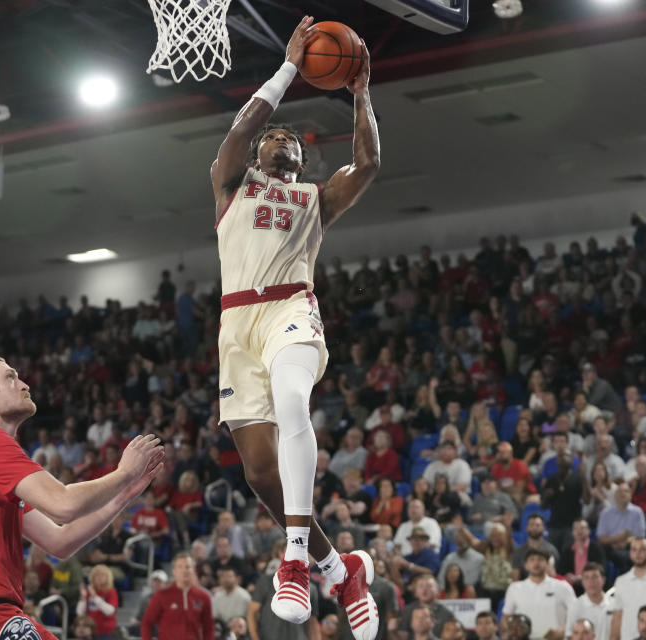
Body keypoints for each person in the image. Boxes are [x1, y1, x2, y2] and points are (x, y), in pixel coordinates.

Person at [210, 14, 380, 635]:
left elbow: (368, 164)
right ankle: (340, 570)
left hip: (291, 309)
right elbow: (244, 123)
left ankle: (295, 562)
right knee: (259, 471)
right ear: (259, 152)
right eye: (272, 137)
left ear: (304, 156)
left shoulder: (314, 198)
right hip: (237, 328)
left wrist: (360, 94)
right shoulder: (231, 184)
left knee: (291, 403)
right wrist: (289, 68)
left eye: (293, 140)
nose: (280, 139)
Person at [0, 356, 165, 640]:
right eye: (10, 377)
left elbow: (61, 541)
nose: (24, 384)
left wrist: (122, 497)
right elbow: (64, 505)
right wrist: (124, 473)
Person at [502, 549, 575, 640]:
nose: (536, 563)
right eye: (532, 560)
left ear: (548, 564)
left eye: (540, 559)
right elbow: (506, 618)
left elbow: (576, 614)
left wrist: (564, 630)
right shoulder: (515, 588)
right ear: (526, 566)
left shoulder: (563, 586)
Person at [141, 552, 215, 640]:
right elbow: (147, 623)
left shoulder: (203, 597)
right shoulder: (161, 596)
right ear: (174, 571)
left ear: (193, 570)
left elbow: (209, 627)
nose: (184, 570)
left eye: (188, 567)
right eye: (180, 567)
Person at [596, 483, 645, 573]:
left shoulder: (637, 512)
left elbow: (640, 536)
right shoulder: (605, 513)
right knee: (599, 551)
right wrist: (617, 539)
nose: (622, 494)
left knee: (628, 555)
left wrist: (625, 542)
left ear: (630, 495)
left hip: (629, 547)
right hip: (609, 547)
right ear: (615, 495)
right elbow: (601, 538)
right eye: (619, 491)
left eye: (626, 491)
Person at [398, 574, 455, 640]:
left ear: (438, 591)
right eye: (421, 586)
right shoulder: (407, 611)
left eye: (429, 586)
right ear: (415, 592)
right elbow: (402, 634)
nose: (424, 590)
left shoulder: (447, 614)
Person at [565, 564, 613, 640]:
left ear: (603, 580)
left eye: (595, 577)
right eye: (586, 578)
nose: (591, 582)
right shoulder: (575, 605)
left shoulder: (614, 604)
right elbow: (569, 634)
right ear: (582, 582)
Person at [557, 521, 606, 592]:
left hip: (592, 584)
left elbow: (601, 568)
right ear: (572, 532)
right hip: (571, 586)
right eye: (576, 528)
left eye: (582, 528)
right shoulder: (567, 550)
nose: (579, 531)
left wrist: (582, 577)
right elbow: (561, 570)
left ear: (588, 531)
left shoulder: (597, 548)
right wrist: (568, 575)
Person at [76, 564, 119, 639]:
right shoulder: (89, 592)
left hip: (106, 631)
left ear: (107, 577)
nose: (99, 577)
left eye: (102, 575)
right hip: (91, 631)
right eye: (96, 575)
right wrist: (83, 598)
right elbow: (80, 613)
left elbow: (110, 611)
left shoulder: (111, 592)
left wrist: (95, 597)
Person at [512, 514, 561, 579]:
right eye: (531, 525)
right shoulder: (519, 551)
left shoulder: (551, 550)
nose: (534, 528)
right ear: (526, 528)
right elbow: (515, 577)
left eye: (538, 525)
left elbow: (554, 574)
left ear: (543, 528)